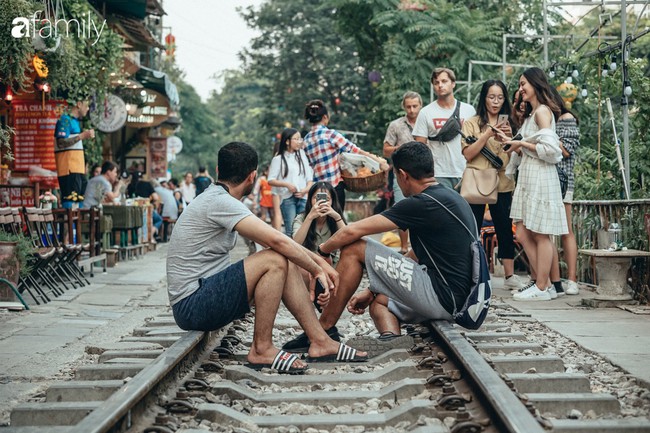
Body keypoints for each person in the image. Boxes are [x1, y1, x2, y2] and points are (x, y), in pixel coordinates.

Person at [166, 141, 367, 373]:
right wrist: (317, 269)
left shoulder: (216, 198)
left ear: (218, 171)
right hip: (193, 305)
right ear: (252, 177)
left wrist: (318, 262)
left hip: (201, 298)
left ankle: (320, 341)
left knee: (283, 257)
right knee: (274, 258)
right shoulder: (219, 202)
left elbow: (278, 241)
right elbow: (276, 241)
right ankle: (262, 348)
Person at [283, 142, 475, 353]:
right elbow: (416, 255)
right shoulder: (451, 197)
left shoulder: (421, 202)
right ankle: (390, 338)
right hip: (460, 299)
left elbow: (352, 232)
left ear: (402, 174)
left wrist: (322, 254)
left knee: (355, 247)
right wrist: (372, 289)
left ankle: (322, 330)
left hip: (445, 297)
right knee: (379, 301)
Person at [505, 67, 568, 301]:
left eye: (524, 84)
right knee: (521, 231)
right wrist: (514, 144)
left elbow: (551, 150)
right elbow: (530, 145)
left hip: (542, 175)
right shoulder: (532, 114)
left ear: (535, 84)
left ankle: (542, 286)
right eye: (520, 85)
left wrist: (522, 145)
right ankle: (542, 282)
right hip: (529, 175)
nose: (521, 88)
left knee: (541, 234)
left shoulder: (543, 112)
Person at [461, 79, 525, 291]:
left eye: (499, 97)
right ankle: (471, 272)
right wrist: (488, 134)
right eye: (491, 97)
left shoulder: (513, 122)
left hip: (503, 181)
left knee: (505, 228)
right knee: (472, 227)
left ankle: (509, 275)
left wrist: (506, 138)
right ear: (484, 98)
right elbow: (468, 154)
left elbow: (520, 152)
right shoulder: (472, 123)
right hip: (478, 181)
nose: (495, 102)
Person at [303, 99, 387, 210]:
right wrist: (379, 161)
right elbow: (354, 150)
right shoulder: (330, 134)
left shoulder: (306, 139)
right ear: (325, 117)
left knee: (322, 219)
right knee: (337, 221)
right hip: (334, 187)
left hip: (318, 189)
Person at [413, 68, 476, 190]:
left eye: (444, 81)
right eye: (436, 82)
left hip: (465, 171)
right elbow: (419, 147)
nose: (440, 85)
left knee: (464, 209)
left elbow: (477, 140)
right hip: (438, 174)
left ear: (453, 83)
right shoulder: (425, 112)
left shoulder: (469, 110)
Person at [383, 91, 423, 254]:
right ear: (403, 107)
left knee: (422, 210)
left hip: (423, 173)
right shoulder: (396, 125)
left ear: (421, 105)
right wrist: (404, 148)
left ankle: (419, 247)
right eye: (408, 107)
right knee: (402, 207)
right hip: (402, 173)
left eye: (415, 106)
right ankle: (404, 247)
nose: (412, 110)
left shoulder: (426, 122)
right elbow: (386, 150)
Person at [552, 88, 580, 295]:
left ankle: (572, 279)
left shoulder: (566, 118)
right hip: (547, 181)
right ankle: (555, 281)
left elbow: (567, 150)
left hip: (563, 181)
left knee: (566, 230)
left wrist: (544, 135)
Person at [268, 128, 314, 236]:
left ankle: (303, 252)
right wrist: (287, 185)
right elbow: (270, 180)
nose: (299, 141)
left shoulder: (302, 155)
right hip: (287, 198)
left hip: (303, 197)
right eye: (296, 139)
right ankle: (289, 253)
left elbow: (309, 177)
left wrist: (305, 190)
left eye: (300, 139)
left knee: (304, 229)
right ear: (287, 141)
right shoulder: (278, 159)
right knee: (291, 230)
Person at [54, 99, 95, 207]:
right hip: (68, 168)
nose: (88, 109)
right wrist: (82, 136)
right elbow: (61, 143)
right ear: (79, 104)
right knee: (70, 201)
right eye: (86, 106)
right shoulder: (65, 119)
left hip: (77, 168)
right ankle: (70, 224)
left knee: (79, 200)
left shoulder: (75, 121)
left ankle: (77, 224)